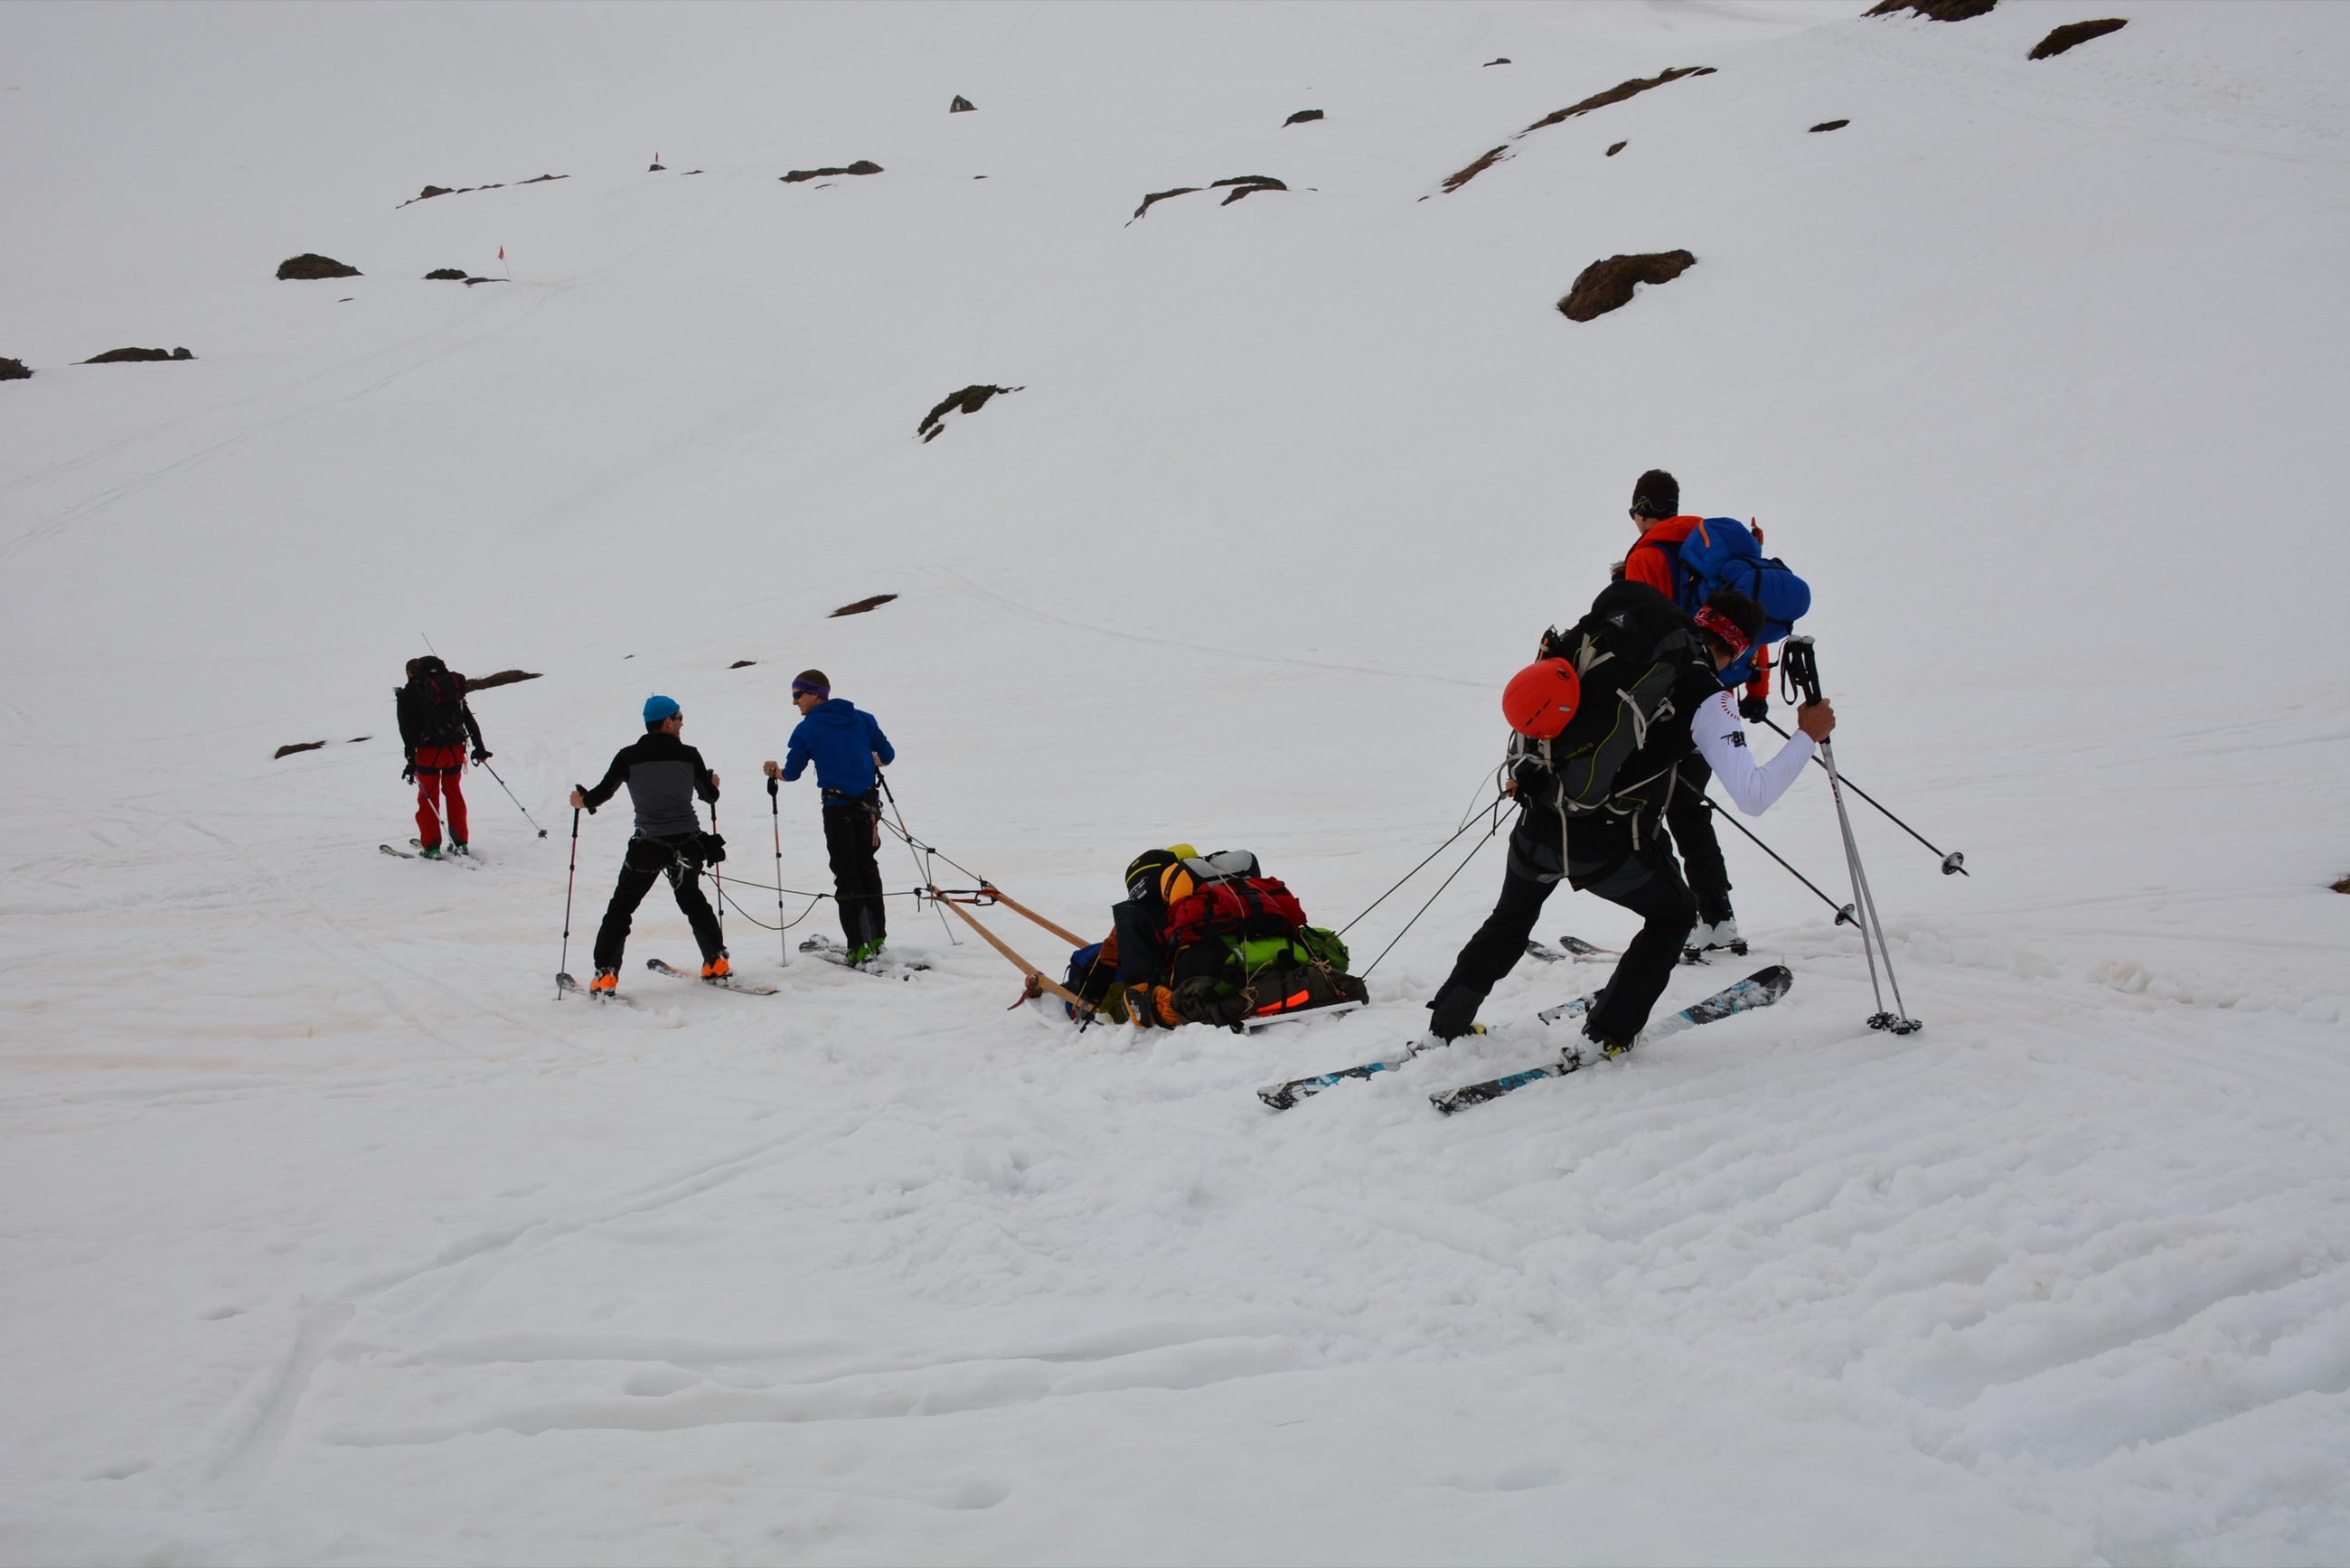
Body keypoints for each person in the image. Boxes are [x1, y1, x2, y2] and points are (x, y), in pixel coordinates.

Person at [1428, 586, 1832, 1056]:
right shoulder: (1709, 697)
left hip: (1539, 817)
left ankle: (1446, 1025)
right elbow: (1754, 796)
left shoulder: (1621, 654)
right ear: (1740, 651)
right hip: (1603, 847)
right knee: (1673, 916)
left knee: (1510, 918)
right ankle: (1608, 1035)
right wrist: (1806, 736)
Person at [1620, 468, 1774, 957]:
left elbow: (1646, 638)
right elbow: (1748, 620)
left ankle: (1679, 918)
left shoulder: (1646, 555)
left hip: (1669, 702)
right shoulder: (1713, 547)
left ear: (1640, 509)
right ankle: (1718, 918)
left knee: (1648, 808)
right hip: (1721, 691)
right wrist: (1757, 688)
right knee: (1688, 807)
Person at [569, 696, 727, 994]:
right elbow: (709, 797)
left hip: (648, 846)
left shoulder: (628, 757)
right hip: (689, 844)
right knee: (692, 899)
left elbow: (601, 794)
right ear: (667, 722)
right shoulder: (690, 755)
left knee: (622, 907)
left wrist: (580, 801)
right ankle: (716, 961)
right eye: (679, 718)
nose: (682, 724)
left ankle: (605, 975)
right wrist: (713, 784)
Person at [762, 671, 895, 964]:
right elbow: (888, 755)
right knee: (868, 868)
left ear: (815, 694)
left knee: (846, 874)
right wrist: (870, 760)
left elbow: (792, 773)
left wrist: (773, 771)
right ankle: (876, 939)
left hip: (838, 809)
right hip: (868, 809)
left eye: (797, 695)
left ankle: (858, 947)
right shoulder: (863, 718)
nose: (795, 702)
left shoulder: (807, 729)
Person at [396, 655, 489, 859]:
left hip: (428, 753)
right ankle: (461, 842)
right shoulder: (450, 689)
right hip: (455, 751)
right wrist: (479, 748)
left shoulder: (408, 694)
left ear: (411, 673)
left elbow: (406, 730)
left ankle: (431, 846)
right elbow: (468, 719)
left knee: (428, 798)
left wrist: (410, 759)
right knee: (454, 793)